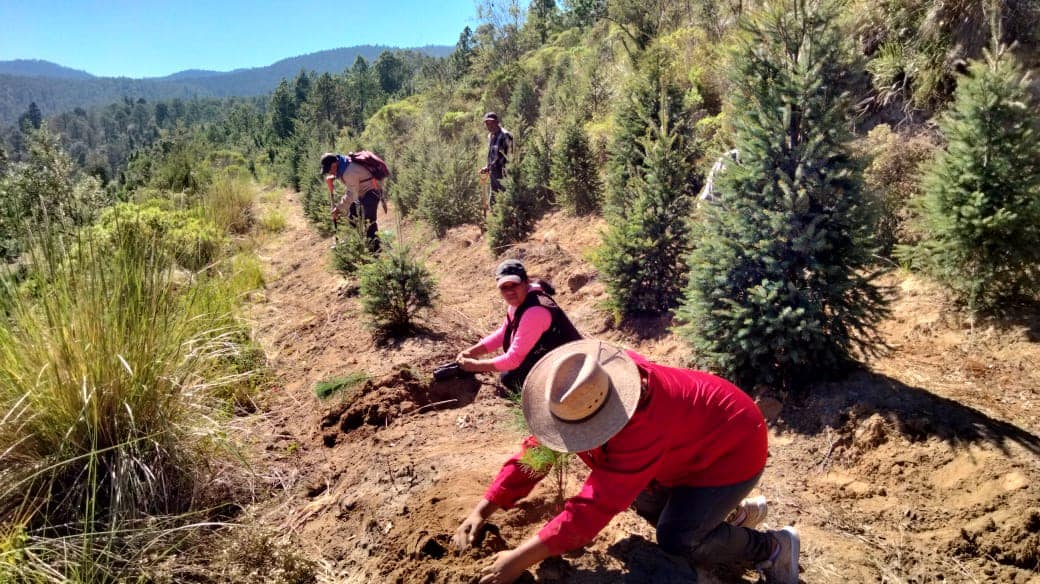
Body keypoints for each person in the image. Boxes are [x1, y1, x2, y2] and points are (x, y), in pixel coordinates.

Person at [453, 339, 800, 584]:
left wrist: (520, 559)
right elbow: (537, 452)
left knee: (679, 539)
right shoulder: (591, 387)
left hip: (733, 449)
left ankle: (771, 546)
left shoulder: (643, 423)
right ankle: (727, 516)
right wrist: (483, 509)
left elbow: (595, 505)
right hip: (689, 444)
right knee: (644, 498)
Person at [456, 259, 581, 393]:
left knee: (510, 377)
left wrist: (475, 366)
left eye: (514, 284)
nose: (510, 291)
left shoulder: (535, 312)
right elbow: (504, 332)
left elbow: (513, 359)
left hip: (574, 367)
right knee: (510, 374)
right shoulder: (519, 303)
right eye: (504, 287)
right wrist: (471, 352)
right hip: (557, 356)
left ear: (526, 282)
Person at [320, 152, 386, 250]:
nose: (329, 172)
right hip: (361, 191)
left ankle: (375, 249)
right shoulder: (343, 163)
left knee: (369, 221)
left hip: (371, 191)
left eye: (329, 170)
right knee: (352, 216)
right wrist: (333, 177)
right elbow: (354, 175)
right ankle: (355, 241)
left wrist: (338, 209)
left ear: (334, 164)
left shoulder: (348, 172)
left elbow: (351, 194)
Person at [478, 112, 512, 207]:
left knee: (506, 199)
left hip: (504, 172)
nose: (489, 126)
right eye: (487, 123)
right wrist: (487, 167)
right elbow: (491, 154)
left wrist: (510, 171)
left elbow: (512, 154)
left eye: (491, 123)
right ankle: (493, 219)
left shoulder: (506, 135)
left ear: (497, 122)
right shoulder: (490, 136)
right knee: (493, 201)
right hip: (493, 172)